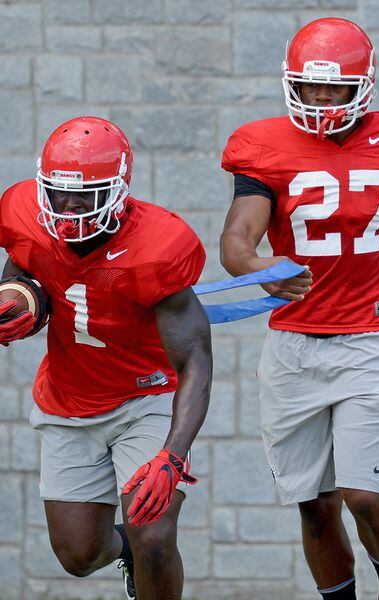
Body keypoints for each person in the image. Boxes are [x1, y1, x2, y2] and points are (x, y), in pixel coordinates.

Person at [220, 17, 379, 600]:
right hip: (294, 350)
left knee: (364, 494)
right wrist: (257, 270)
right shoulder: (264, 146)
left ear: (364, 87)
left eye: (336, 89)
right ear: (291, 84)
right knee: (315, 507)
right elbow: (236, 239)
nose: (322, 100)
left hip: (370, 341)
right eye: (311, 87)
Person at [0, 116, 213, 600]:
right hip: (68, 398)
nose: (70, 207)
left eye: (86, 195)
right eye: (59, 193)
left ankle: (144, 555)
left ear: (117, 192)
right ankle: (125, 554)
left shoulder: (158, 244)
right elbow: (23, 265)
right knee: (78, 554)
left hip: (147, 397)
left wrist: (173, 455)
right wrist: (19, 299)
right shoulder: (23, 213)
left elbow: (195, 359)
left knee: (154, 533)